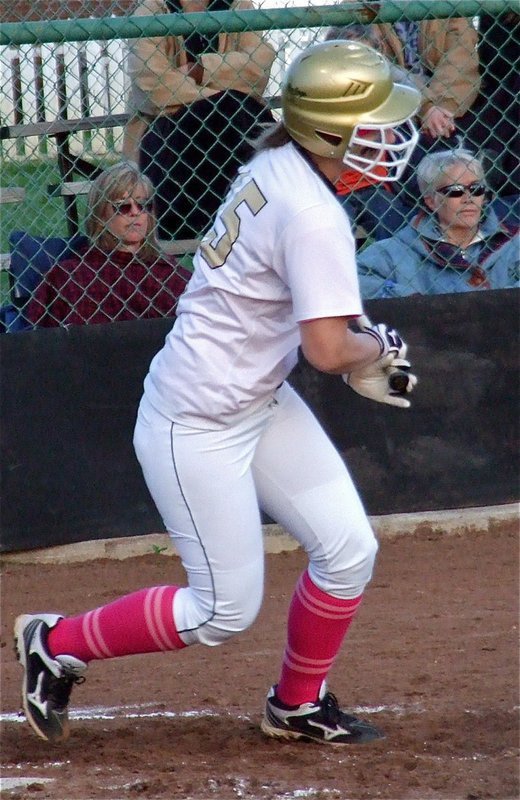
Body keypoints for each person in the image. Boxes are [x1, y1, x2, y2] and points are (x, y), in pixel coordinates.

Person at [14, 41, 420, 747]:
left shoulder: (278, 161)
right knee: (221, 611)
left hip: (255, 398)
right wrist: (375, 348)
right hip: (196, 419)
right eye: (372, 124)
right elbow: (328, 350)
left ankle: (296, 704)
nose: (389, 136)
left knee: (348, 551)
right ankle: (55, 642)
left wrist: (357, 347)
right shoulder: (312, 211)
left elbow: (318, 326)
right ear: (330, 132)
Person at [123, 0, 276, 240]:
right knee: (230, 108)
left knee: (233, 111)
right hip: (171, 139)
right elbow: (155, 88)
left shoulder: (237, 5)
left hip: (233, 128)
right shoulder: (151, 10)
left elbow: (259, 69)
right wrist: (223, 95)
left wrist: (201, 69)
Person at [26, 163, 191, 327]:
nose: (135, 212)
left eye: (143, 205)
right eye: (123, 206)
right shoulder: (69, 277)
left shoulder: (172, 275)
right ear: (100, 216)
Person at [357, 149, 519, 298]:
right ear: (431, 201)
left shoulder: (514, 242)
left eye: (476, 189)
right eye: (455, 190)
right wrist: (415, 303)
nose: (468, 198)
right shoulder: (397, 250)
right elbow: (356, 280)